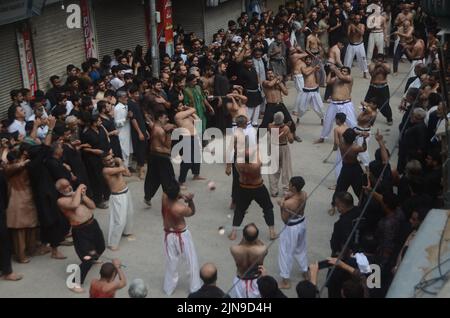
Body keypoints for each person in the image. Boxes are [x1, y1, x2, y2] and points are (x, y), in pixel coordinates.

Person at [56, 179, 105, 293]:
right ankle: (74, 282)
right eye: (64, 188)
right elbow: (74, 205)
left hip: (93, 224)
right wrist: (78, 190)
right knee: (87, 258)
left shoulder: (77, 195)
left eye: (68, 185)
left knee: (101, 247)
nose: (68, 188)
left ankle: (94, 257)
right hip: (81, 231)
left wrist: (83, 195)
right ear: (59, 191)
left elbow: (92, 206)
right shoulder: (61, 200)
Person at [161, 183, 201, 295]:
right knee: (191, 261)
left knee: (171, 262)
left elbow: (169, 193)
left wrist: (181, 195)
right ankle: (195, 288)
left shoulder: (164, 199)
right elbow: (192, 212)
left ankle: (168, 288)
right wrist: (190, 201)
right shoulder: (179, 208)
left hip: (168, 234)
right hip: (182, 236)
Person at [228, 148, 276, 241]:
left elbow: (238, 154)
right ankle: (272, 232)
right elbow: (259, 154)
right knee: (268, 208)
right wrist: (257, 148)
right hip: (257, 188)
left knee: (239, 210)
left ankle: (233, 233)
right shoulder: (256, 165)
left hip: (244, 188)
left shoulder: (238, 164)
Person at [277, 176, 308, 289]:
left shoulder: (288, 204)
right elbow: (295, 197)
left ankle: (285, 281)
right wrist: (286, 197)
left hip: (291, 227)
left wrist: (281, 206)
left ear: (294, 187)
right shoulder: (304, 194)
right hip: (302, 223)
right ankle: (305, 272)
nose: (288, 186)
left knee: (285, 252)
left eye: (290, 184)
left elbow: (284, 219)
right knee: (301, 248)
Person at [143, 111, 177, 207]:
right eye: (165, 117)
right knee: (168, 179)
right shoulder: (161, 131)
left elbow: (150, 122)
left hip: (153, 156)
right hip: (162, 157)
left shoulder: (155, 126)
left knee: (153, 177)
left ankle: (147, 196)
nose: (167, 119)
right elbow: (167, 145)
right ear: (160, 118)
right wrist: (169, 133)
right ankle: (171, 200)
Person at [316, 65, 357, 144]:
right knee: (327, 121)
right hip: (334, 104)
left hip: (346, 104)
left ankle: (356, 138)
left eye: (345, 71)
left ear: (348, 73)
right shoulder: (336, 79)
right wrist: (331, 72)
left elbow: (341, 77)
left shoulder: (349, 78)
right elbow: (327, 82)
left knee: (352, 122)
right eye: (342, 70)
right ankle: (322, 137)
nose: (342, 72)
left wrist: (334, 69)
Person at [102, 154, 135, 251]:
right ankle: (113, 243)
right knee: (119, 221)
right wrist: (120, 161)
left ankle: (127, 232)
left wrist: (120, 163)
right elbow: (123, 169)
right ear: (104, 162)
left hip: (126, 192)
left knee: (130, 214)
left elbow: (128, 173)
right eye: (108, 160)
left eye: (111, 158)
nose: (111, 160)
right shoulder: (106, 170)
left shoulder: (116, 166)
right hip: (117, 197)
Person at [330, 129, 367, 215]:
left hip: (345, 168)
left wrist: (359, 133)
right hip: (355, 168)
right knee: (359, 189)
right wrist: (364, 138)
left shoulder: (341, 144)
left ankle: (333, 206)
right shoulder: (355, 148)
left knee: (340, 188)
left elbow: (345, 134)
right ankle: (363, 205)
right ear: (353, 139)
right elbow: (364, 148)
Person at [229, 223, 267, 298]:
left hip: (240, 280)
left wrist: (244, 239)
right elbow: (261, 245)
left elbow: (239, 245)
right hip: (256, 280)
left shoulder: (234, 249)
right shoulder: (262, 249)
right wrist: (257, 239)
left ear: (243, 236)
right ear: (256, 237)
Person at [260, 70, 298, 141]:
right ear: (266, 75)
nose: (270, 75)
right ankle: (259, 138)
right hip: (270, 105)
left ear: (274, 74)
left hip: (280, 104)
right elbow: (270, 85)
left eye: (271, 73)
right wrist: (277, 78)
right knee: (265, 123)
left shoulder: (278, 82)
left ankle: (294, 135)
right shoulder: (265, 82)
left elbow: (286, 92)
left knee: (290, 120)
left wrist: (280, 83)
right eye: (268, 74)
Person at [175, 106, 206, 189]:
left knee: (197, 157)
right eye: (181, 105)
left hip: (194, 137)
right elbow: (194, 109)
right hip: (186, 138)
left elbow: (198, 121)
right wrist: (188, 108)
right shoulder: (178, 116)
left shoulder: (188, 116)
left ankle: (196, 175)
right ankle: (181, 181)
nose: (183, 106)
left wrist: (192, 114)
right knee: (187, 161)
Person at [268, 112, 293, 197]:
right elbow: (291, 140)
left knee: (273, 170)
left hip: (274, 148)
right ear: (283, 119)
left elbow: (276, 126)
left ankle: (273, 190)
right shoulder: (286, 128)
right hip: (283, 148)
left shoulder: (270, 126)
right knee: (286, 169)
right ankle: (286, 190)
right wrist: (289, 129)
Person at [330, 192, 361, 257]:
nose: (336, 207)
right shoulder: (360, 211)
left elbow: (335, 243)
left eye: (337, 205)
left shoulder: (340, 224)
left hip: (345, 254)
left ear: (342, 206)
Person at [365, 54, 392, 125]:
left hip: (383, 87)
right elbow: (372, 74)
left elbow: (388, 71)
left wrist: (382, 65)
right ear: (375, 60)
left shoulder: (386, 65)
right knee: (367, 103)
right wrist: (377, 67)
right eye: (378, 60)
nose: (379, 62)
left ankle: (389, 118)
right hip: (373, 87)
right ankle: (368, 117)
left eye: (381, 60)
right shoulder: (372, 65)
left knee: (385, 104)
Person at [297, 55, 325, 124]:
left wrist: (318, 83)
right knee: (302, 107)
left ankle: (322, 118)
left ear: (311, 61)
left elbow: (317, 76)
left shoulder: (314, 68)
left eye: (309, 60)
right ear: (305, 61)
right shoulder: (303, 68)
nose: (308, 61)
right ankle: (298, 117)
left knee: (319, 106)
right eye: (307, 60)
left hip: (314, 89)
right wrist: (314, 68)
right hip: (306, 90)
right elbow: (306, 73)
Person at [239, 56, 263, 127]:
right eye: (249, 62)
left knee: (257, 105)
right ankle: (248, 121)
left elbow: (257, 77)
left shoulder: (253, 69)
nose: (250, 63)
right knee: (249, 107)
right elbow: (241, 82)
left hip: (256, 90)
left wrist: (259, 85)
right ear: (245, 63)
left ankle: (254, 122)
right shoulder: (242, 71)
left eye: (251, 62)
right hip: (248, 92)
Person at [344, 14, 369, 79]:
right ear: (354, 19)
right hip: (351, 45)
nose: (357, 20)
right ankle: (346, 73)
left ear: (360, 19)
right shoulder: (350, 25)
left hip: (360, 45)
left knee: (363, 59)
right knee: (348, 60)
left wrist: (354, 27)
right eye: (356, 19)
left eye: (358, 19)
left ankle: (365, 73)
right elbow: (348, 35)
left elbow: (362, 33)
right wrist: (350, 29)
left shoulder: (362, 25)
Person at [114, 91, 133, 174]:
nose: (126, 98)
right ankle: (124, 169)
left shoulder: (126, 106)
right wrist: (126, 118)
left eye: (126, 96)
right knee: (123, 150)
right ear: (119, 98)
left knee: (128, 149)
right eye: (124, 97)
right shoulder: (117, 108)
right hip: (121, 132)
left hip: (127, 131)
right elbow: (116, 122)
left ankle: (128, 166)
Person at [333, 112, 349, 182]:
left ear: (338, 120)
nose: (335, 120)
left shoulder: (337, 129)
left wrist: (335, 147)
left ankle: (338, 183)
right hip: (348, 148)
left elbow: (336, 141)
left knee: (338, 165)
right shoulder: (348, 128)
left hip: (341, 149)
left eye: (336, 119)